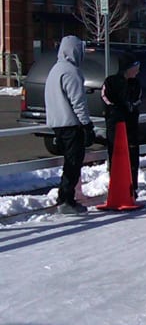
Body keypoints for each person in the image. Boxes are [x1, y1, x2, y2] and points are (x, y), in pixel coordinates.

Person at [44, 35, 95, 215]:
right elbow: (78, 101)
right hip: (71, 125)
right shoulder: (71, 72)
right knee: (73, 163)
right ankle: (66, 200)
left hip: (57, 124)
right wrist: (87, 125)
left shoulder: (55, 70)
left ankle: (66, 198)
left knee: (70, 163)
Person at [101, 55, 142, 198]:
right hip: (115, 126)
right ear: (127, 68)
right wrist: (118, 110)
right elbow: (106, 99)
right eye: (135, 68)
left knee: (132, 157)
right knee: (116, 157)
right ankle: (117, 188)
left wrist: (131, 107)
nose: (137, 71)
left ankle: (132, 189)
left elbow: (137, 100)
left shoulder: (136, 83)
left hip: (131, 127)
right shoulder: (111, 82)